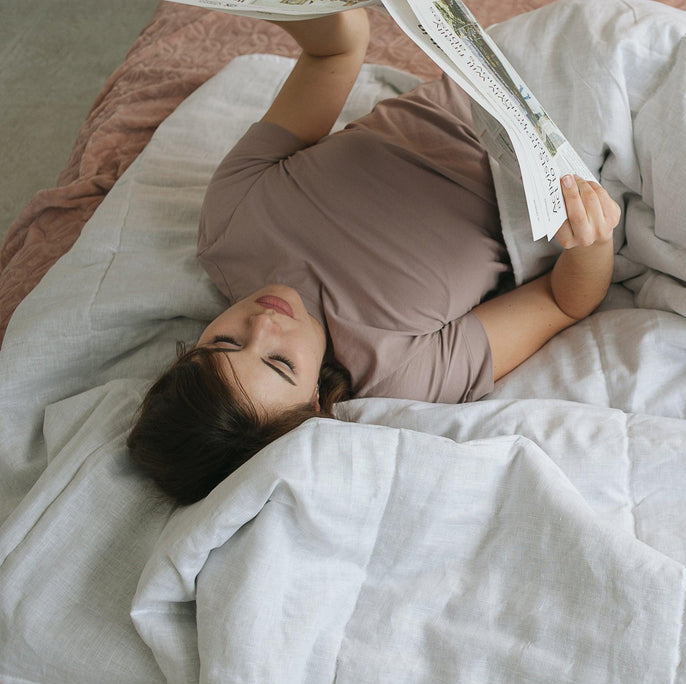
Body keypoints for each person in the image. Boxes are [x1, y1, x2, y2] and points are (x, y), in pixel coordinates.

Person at [127, 9, 620, 505]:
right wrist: (593, 240)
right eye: (279, 364)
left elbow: (335, 50)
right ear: (315, 405)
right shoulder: (398, 370)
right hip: (582, 165)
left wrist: (311, 13)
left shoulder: (228, 224)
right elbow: (563, 302)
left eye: (226, 342)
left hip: (505, 75)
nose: (263, 325)